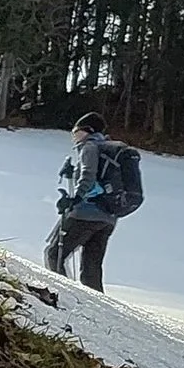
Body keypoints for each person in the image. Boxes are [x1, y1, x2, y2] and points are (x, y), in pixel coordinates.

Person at [45, 113, 121, 291]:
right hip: (109, 217)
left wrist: (75, 199)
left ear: (88, 131)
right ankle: (101, 310)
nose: (74, 136)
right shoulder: (108, 150)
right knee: (91, 268)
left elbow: (88, 176)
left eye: (76, 131)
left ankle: (61, 295)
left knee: (54, 253)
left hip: (86, 212)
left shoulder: (90, 147)